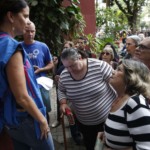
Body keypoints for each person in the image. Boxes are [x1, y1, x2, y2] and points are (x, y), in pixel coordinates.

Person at [0, 0, 54, 149]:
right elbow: (22, 97)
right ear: (11, 16)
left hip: (8, 117)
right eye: (25, 16)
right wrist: (42, 120)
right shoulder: (12, 47)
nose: (28, 22)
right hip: (25, 117)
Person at [58, 48, 116, 150]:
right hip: (85, 123)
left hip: (108, 120)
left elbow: (118, 83)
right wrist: (63, 103)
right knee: (91, 146)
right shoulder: (65, 75)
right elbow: (61, 90)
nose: (70, 70)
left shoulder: (99, 66)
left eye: (72, 65)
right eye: (67, 67)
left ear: (80, 58)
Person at [99, 59, 150, 149]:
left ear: (131, 77)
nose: (113, 71)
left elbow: (146, 146)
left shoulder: (135, 103)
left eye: (119, 69)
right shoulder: (119, 98)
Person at [21, 22, 54, 124]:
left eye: (32, 31)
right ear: (22, 31)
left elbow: (51, 63)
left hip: (41, 84)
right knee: (29, 110)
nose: (30, 34)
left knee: (44, 109)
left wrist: (41, 69)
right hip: (25, 85)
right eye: (27, 31)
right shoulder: (18, 47)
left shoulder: (42, 46)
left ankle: (46, 128)